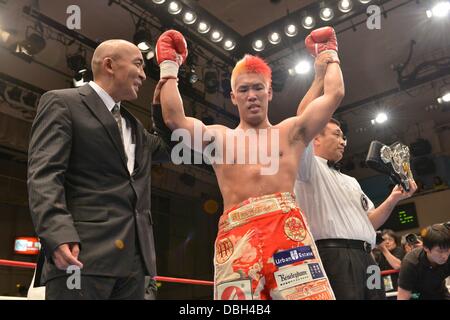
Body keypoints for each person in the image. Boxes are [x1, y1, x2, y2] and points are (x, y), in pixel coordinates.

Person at [157, 27, 344, 300]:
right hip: (236, 236)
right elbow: (175, 119)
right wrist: (169, 65)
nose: (251, 95)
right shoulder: (220, 138)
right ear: (234, 97)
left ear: (269, 93)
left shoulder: (291, 132)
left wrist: (330, 54)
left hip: (287, 231)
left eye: (258, 88)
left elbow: (334, 94)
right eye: (243, 89)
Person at [27, 40, 171, 299]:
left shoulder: (134, 126)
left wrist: (164, 99)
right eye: (138, 64)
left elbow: (172, 147)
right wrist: (57, 234)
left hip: (136, 264)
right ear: (109, 65)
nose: (143, 74)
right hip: (82, 255)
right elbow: (45, 175)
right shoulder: (62, 103)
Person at [294, 116, 417, 299]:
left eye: (344, 137)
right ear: (315, 138)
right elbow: (304, 123)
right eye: (337, 135)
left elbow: (370, 222)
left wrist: (393, 199)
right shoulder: (306, 169)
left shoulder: (351, 181)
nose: (343, 141)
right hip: (336, 257)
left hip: (368, 257)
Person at [397, 222, 450, 300]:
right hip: (416, 296)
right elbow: (402, 297)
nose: (445, 256)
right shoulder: (410, 263)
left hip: (440, 294)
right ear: (426, 248)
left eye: (447, 250)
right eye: (440, 251)